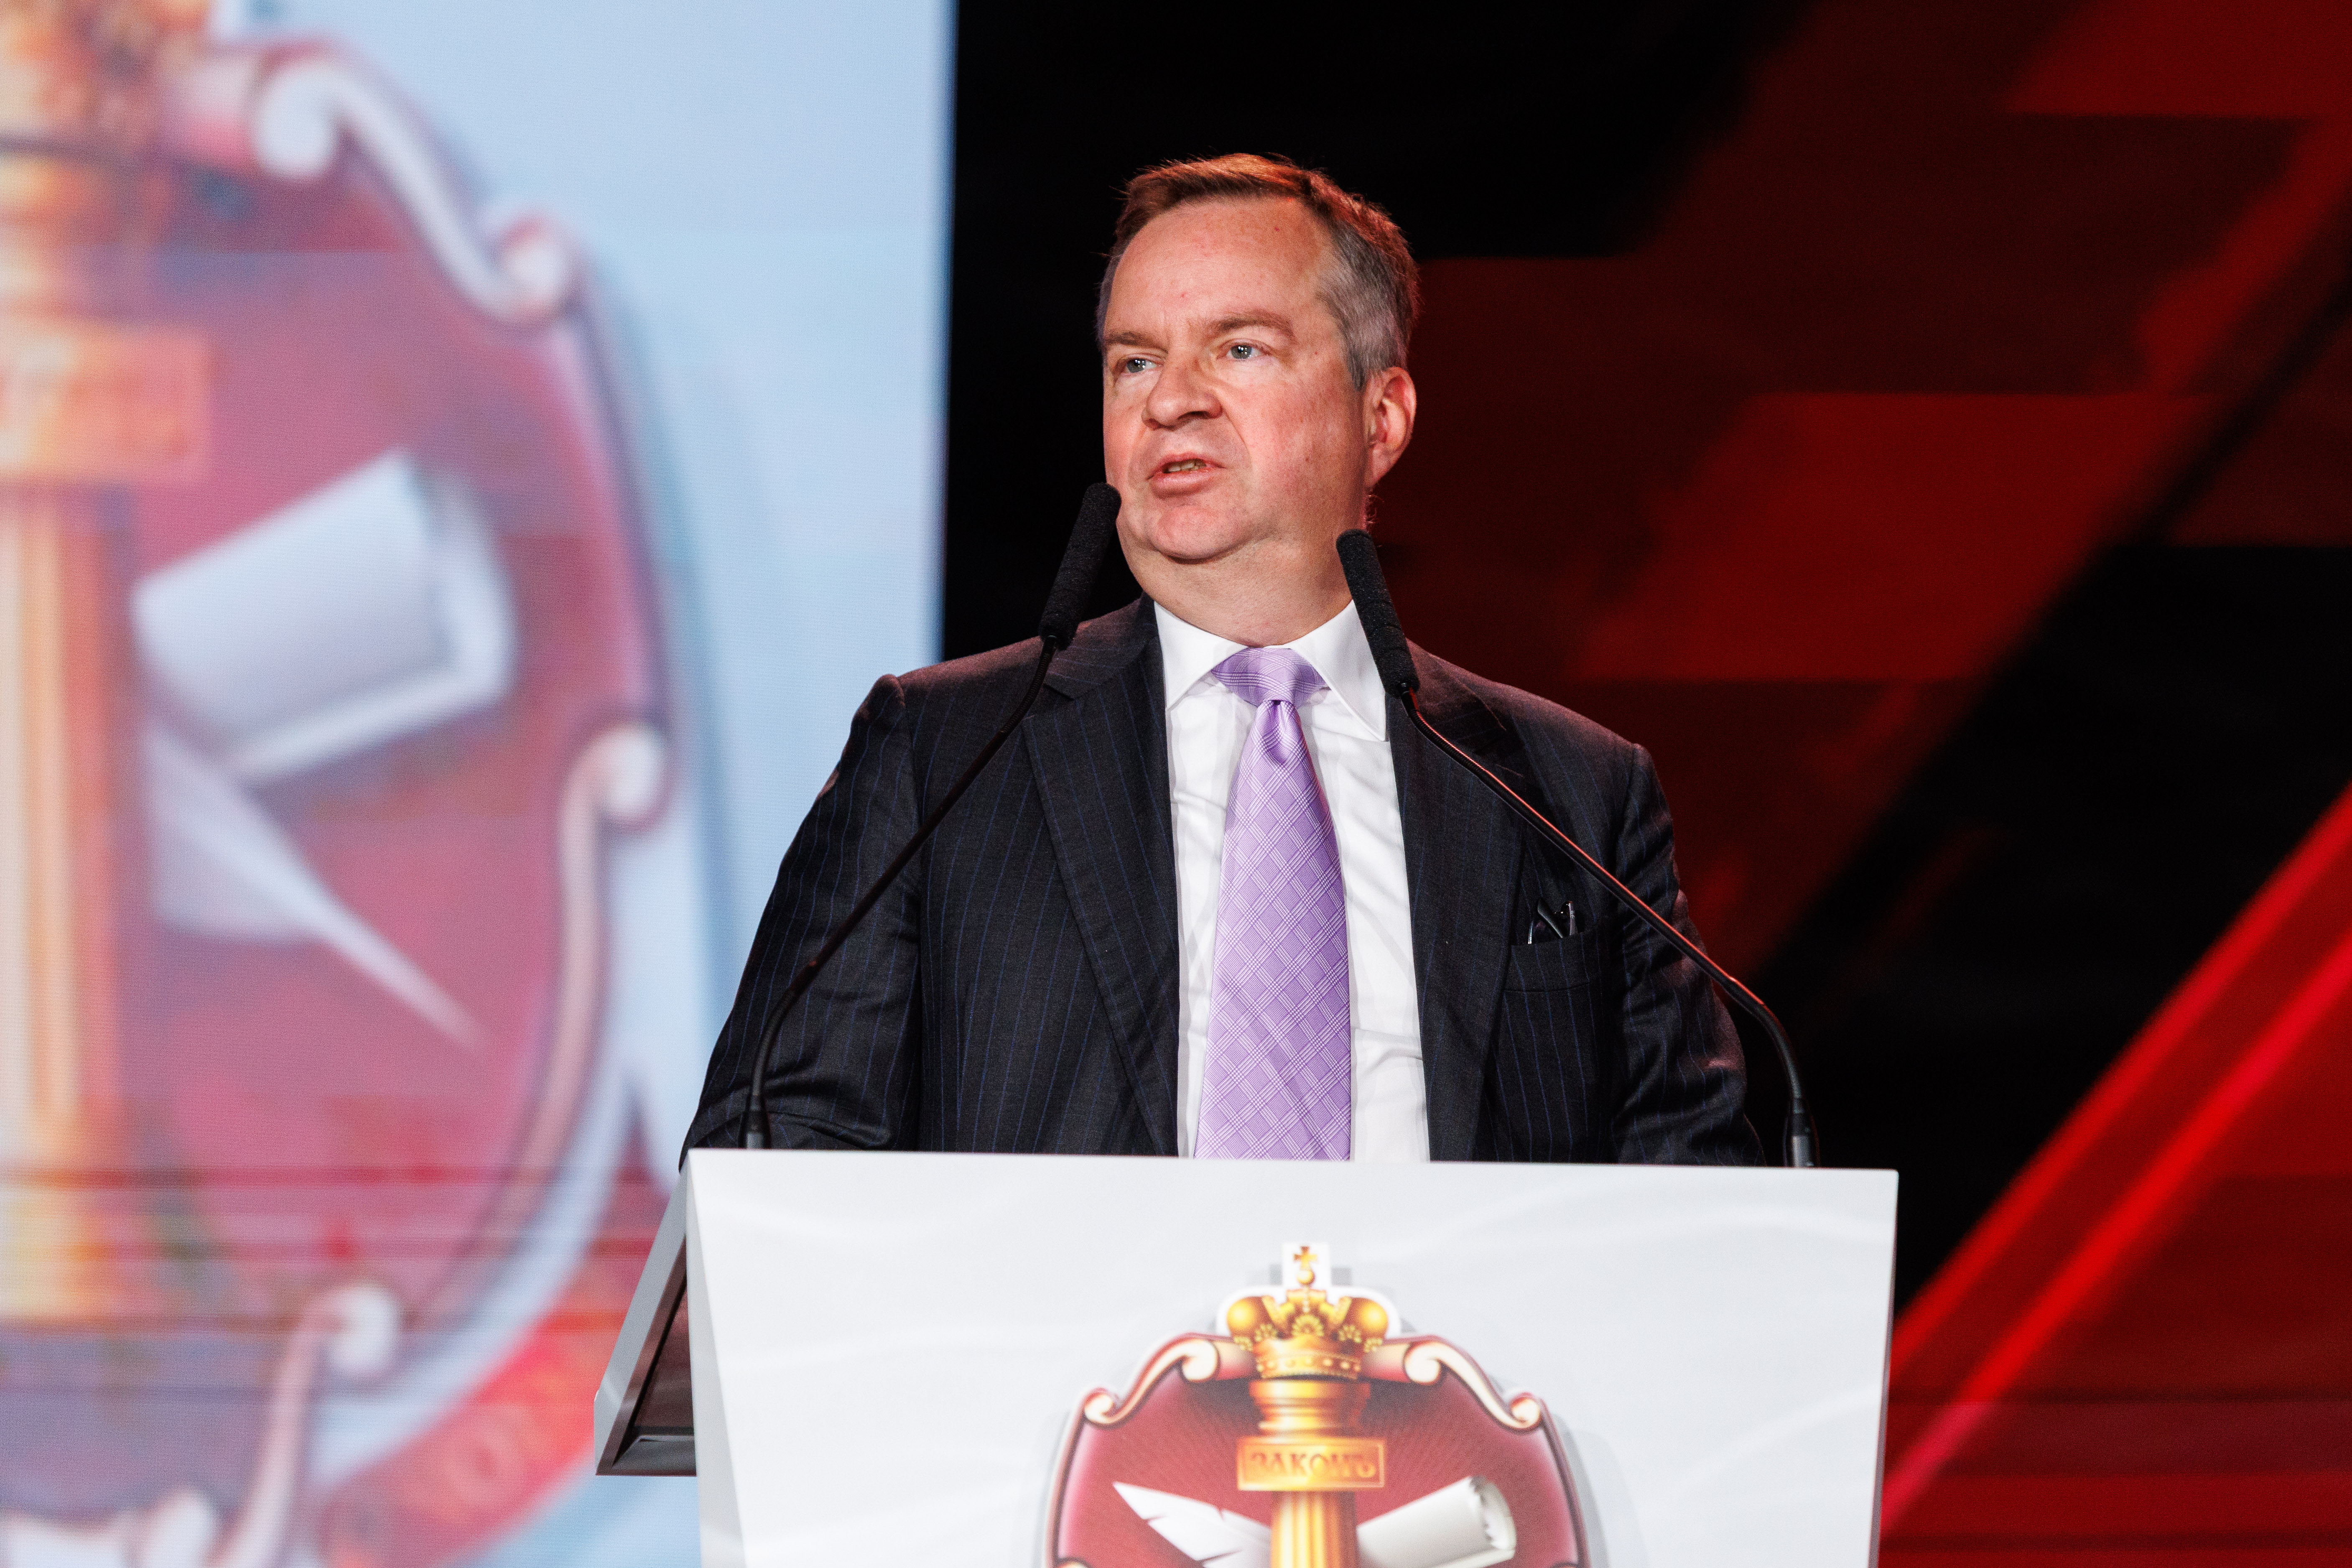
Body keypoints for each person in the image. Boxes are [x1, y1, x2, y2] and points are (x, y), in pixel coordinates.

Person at [684, 154, 1756, 1163]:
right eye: (1135, 362)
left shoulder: (1569, 792)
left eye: (1239, 349)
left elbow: (1695, 1188)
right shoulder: (942, 754)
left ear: (1382, 417)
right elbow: (771, 1147)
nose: (1170, 400)